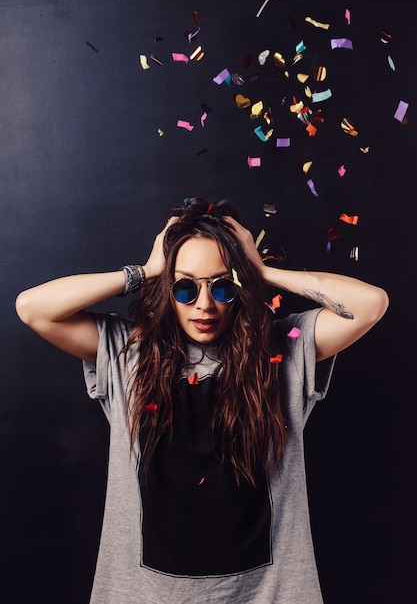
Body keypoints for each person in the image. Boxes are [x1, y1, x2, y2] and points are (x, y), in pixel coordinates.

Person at [15, 197, 388, 604]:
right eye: (185, 287)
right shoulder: (128, 351)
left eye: (223, 285)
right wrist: (145, 272)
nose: (204, 304)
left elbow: (371, 304)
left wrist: (261, 271)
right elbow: (33, 308)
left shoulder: (283, 351)